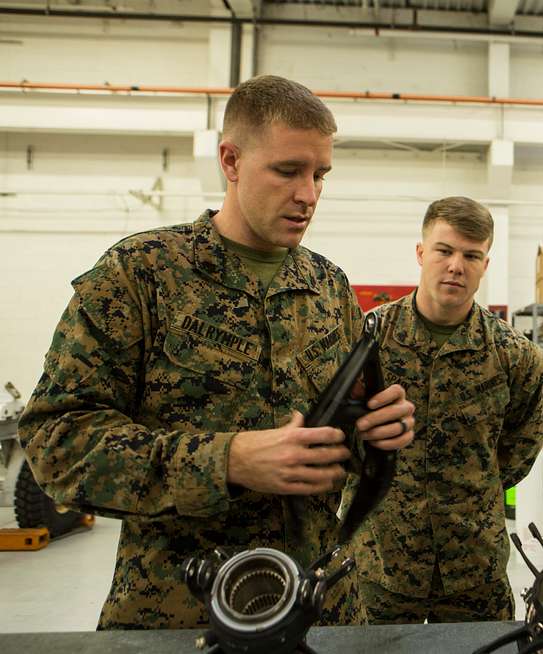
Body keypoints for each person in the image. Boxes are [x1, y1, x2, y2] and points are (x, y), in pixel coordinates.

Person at [17, 75, 416, 630]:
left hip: (319, 610)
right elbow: (56, 442)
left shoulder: (328, 287)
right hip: (183, 613)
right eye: (287, 170)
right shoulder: (141, 275)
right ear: (230, 161)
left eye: (320, 174)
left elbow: (338, 443)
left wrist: (376, 432)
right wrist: (227, 461)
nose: (308, 194)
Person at [354, 196, 543, 623]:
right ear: (422, 253)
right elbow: (341, 434)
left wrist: (468, 485)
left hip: (473, 567)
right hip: (382, 562)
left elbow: (521, 446)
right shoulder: (366, 341)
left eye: (471, 255)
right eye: (444, 250)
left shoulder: (516, 356)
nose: (456, 265)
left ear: (485, 263)